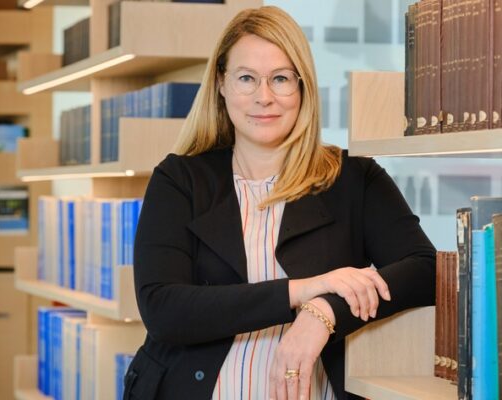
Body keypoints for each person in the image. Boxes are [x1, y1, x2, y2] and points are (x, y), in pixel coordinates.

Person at [124, 5, 435, 400]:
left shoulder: (355, 178)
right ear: (221, 84)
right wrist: (302, 291)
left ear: (303, 87)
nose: (264, 97)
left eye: (281, 78)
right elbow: (163, 308)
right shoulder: (179, 180)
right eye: (246, 78)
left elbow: (426, 271)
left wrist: (324, 313)